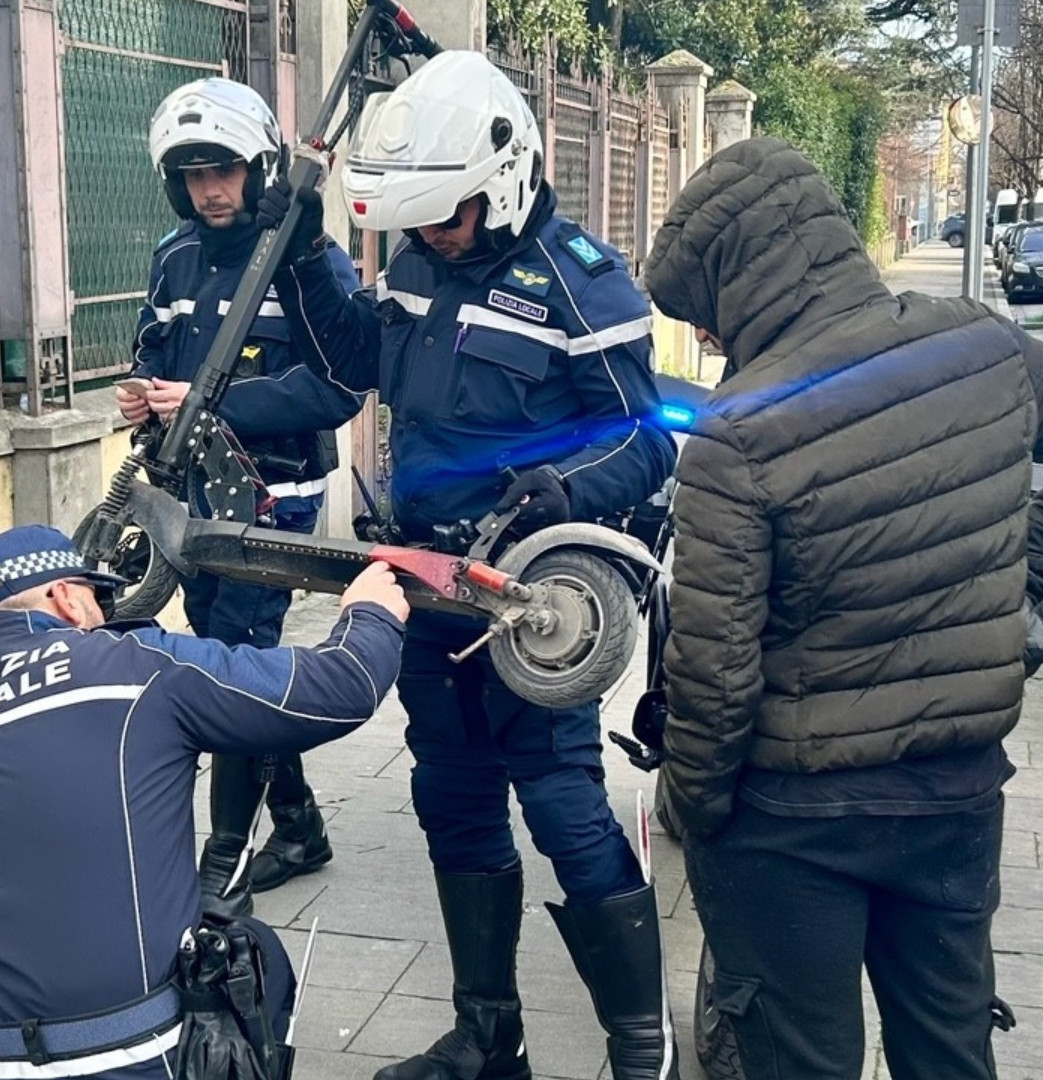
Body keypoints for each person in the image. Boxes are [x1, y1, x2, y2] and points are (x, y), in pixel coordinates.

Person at [642, 138, 1043, 1080]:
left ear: (742, 280)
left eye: (705, 316)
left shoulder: (737, 434)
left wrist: (694, 805)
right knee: (951, 1050)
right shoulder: (988, 347)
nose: (709, 342)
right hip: (955, 793)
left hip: (792, 817)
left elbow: (714, 673)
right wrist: (1018, 572)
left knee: (797, 1060)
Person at [264, 50, 680, 1080]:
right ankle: (489, 1037)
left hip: (530, 600)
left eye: (444, 217)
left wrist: (565, 488)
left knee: (564, 808)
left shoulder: (585, 283)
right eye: (416, 222)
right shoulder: (417, 266)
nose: (430, 236)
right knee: (450, 799)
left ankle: (642, 1049)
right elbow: (355, 361)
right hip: (426, 586)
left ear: (503, 181)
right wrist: (302, 254)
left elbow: (647, 439)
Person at [0, 524, 409, 1080]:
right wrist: (370, 612)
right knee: (256, 953)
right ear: (66, 597)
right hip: (134, 1055)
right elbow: (342, 686)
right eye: (98, 597)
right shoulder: (134, 665)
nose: (103, 613)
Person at [118, 77, 368, 921]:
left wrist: (211, 401)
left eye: (223, 170)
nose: (210, 190)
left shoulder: (306, 258)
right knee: (226, 649)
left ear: (256, 168)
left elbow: (336, 389)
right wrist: (144, 391)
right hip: (190, 492)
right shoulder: (173, 255)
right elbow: (153, 345)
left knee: (234, 659)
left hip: (273, 497)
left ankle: (220, 864)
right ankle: (298, 825)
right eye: (193, 175)